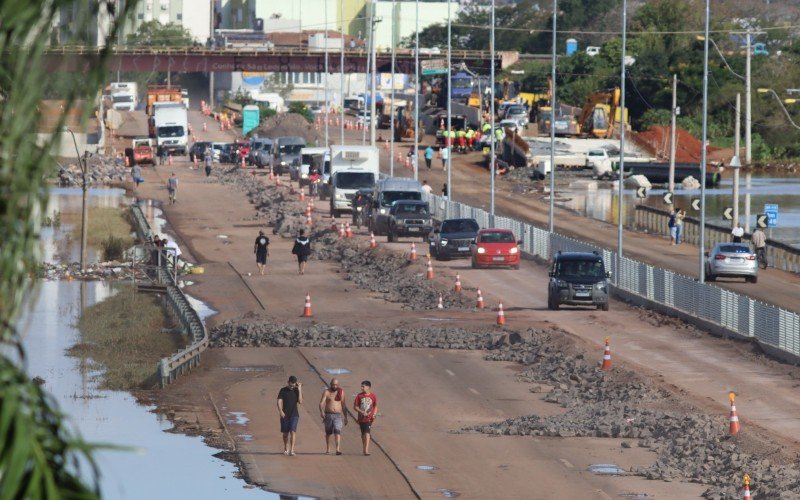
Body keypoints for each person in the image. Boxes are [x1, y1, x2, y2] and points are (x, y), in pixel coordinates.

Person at [319, 378, 348, 455]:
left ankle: (337, 449)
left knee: (337, 431)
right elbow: (321, 403)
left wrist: (346, 417)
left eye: (336, 385)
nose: (334, 386)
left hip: (338, 415)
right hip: (328, 415)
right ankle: (328, 449)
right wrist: (321, 411)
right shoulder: (327, 392)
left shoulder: (341, 392)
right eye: (333, 384)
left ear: (338, 385)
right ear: (330, 384)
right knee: (328, 433)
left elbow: (343, 405)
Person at [277, 376, 303, 456]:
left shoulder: (296, 390)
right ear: (288, 382)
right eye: (291, 384)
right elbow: (279, 401)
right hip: (285, 415)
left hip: (294, 415)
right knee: (285, 434)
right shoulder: (283, 390)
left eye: (294, 384)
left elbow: (300, 401)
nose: (292, 386)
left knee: (293, 431)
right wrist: (280, 411)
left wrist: (299, 389)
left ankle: (292, 450)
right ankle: (286, 448)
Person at [353, 381, 378, 456]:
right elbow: (355, 407)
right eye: (361, 386)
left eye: (363, 386)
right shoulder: (359, 396)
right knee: (363, 434)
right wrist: (361, 412)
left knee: (367, 432)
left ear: (368, 387)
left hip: (369, 418)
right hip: (361, 418)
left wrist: (374, 414)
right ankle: (364, 448)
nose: (361, 388)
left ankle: (366, 450)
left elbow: (375, 406)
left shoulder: (373, 396)